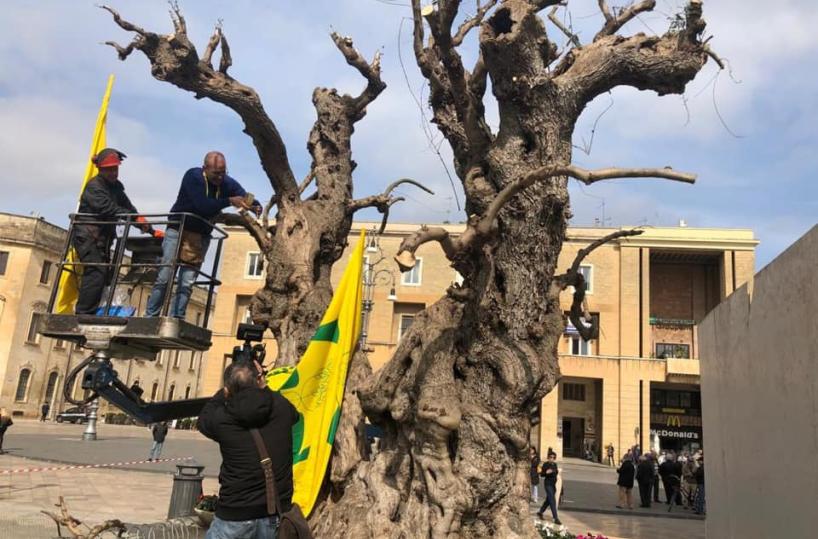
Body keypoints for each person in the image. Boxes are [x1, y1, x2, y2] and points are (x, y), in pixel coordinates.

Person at [146, 152, 260, 319]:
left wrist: (255, 206)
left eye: (223, 172)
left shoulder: (226, 182)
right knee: (165, 275)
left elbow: (242, 195)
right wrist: (228, 201)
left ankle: (176, 318)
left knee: (187, 281)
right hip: (178, 230)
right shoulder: (193, 177)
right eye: (216, 173)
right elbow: (202, 206)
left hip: (200, 236)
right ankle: (151, 316)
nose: (220, 177)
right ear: (204, 168)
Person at [198, 361, 298, 538]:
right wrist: (263, 383)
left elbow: (204, 419)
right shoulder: (281, 407)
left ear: (228, 389)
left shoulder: (222, 419)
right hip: (272, 514)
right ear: (258, 380)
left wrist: (226, 389)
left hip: (234, 514)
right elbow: (295, 415)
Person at [74, 148, 155, 314]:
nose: (113, 173)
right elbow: (109, 208)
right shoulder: (94, 187)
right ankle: (83, 313)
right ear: (100, 169)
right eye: (109, 169)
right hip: (87, 237)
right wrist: (133, 218)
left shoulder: (116, 187)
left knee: (106, 274)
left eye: (115, 169)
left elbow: (128, 208)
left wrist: (148, 228)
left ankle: (98, 310)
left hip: (101, 239)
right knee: (96, 272)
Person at [537, 451, 561, 525]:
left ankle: (540, 512)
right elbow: (542, 474)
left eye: (554, 458)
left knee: (548, 500)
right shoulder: (546, 464)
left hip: (553, 485)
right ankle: (555, 518)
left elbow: (556, 472)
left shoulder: (555, 464)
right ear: (548, 458)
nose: (552, 459)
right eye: (551, 457)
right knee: (552, 500)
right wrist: (546, 473)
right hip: (548, 484)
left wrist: (556, 471)